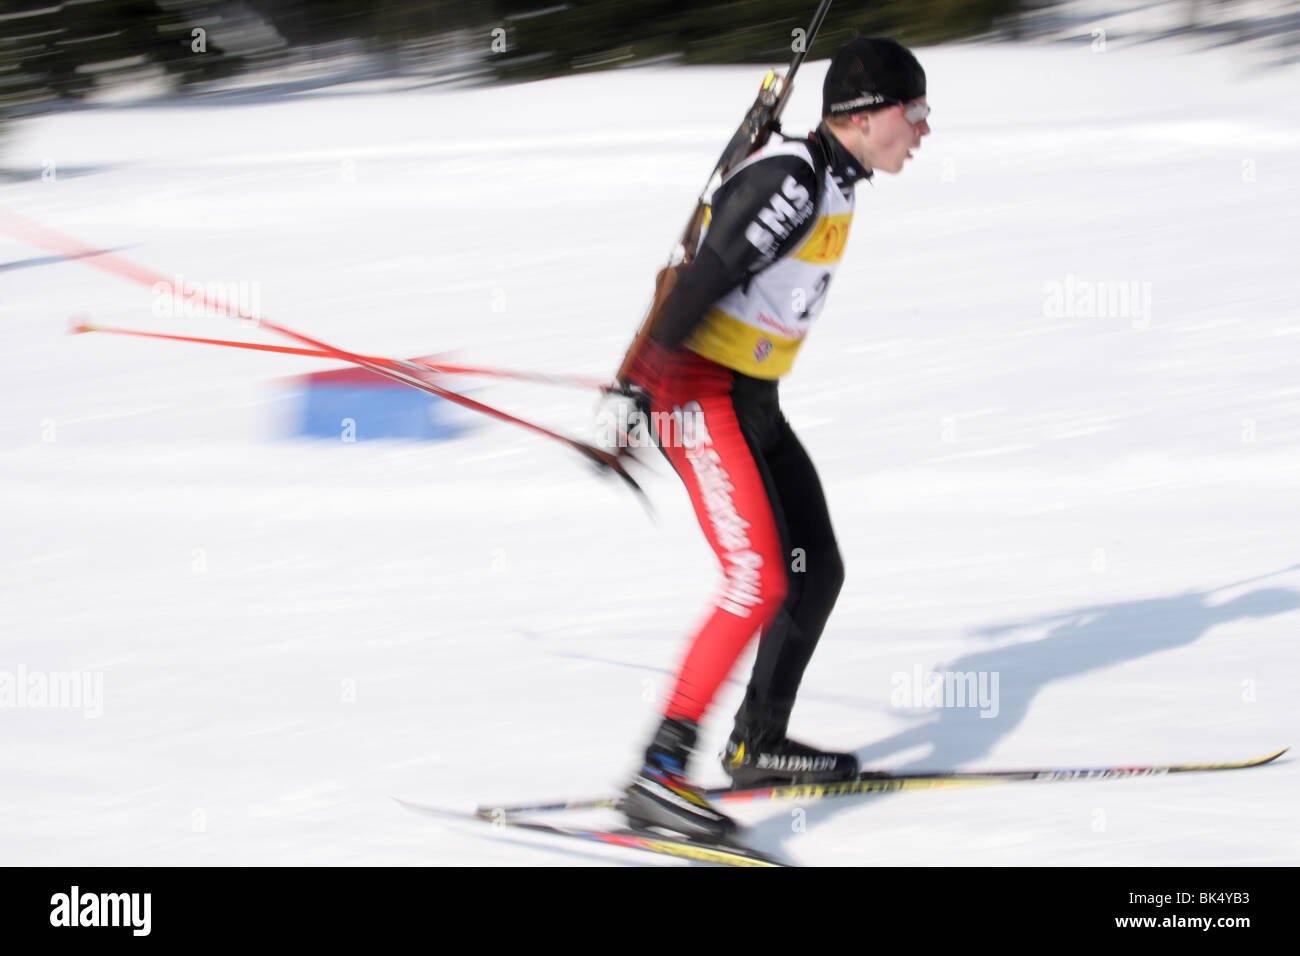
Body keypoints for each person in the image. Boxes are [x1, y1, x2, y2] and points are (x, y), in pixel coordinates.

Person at [610, 37, 930, 841]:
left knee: (812, 568)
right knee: (756, 580)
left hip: (749, 398)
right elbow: (701, 277)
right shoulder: (795, 178)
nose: (923, 129)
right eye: (914, 111)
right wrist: (637, 385)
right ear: (864, 115)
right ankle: (658, 778)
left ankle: (759, 742)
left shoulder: (832, 176)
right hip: (692, 391)